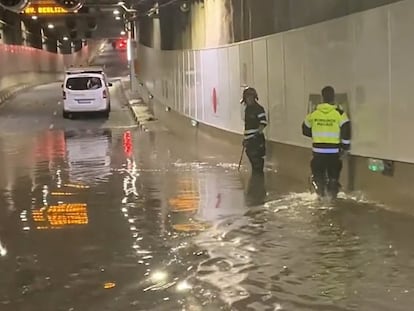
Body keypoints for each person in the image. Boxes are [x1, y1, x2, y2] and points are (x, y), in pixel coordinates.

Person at [302, 86, 351, 198]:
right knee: (333, 177)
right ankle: (332, 200)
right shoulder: (339, 114)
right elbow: (346, 131)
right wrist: (345, 147)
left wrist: (315, 134)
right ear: (333, 97)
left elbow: (304, 129)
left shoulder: (314, 114)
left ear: (322, 97)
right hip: (333, 153)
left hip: (318, 153)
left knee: (318, 177)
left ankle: (320, 196)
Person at [241, 87, 268, 174]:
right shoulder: (248, 109)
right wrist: (246, 139)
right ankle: (257, 183)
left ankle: (258, 183)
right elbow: (247, 126)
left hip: (256, 140)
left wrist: (256, 135)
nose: (248, 100)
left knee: (257, 163)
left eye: (249, 97)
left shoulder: (258, 109)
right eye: (246, 98)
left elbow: (263, 123)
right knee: (254, 162)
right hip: (250, 141)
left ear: (254, 97)